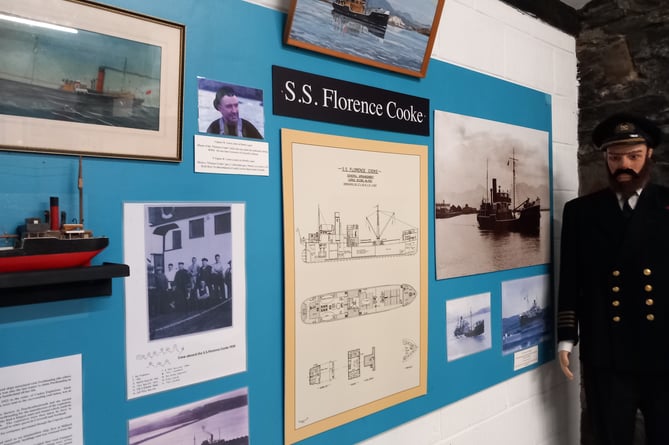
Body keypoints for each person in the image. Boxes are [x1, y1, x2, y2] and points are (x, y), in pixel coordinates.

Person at [557, 112, 669, 445]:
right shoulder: (581, 212)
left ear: (649, 155)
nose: (624, 164)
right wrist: (566, 337)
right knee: (610, 436)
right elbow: (570, 279)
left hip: (663, 350)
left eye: (633, 156)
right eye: (615, 156)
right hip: (607, 352)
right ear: (605, 159)